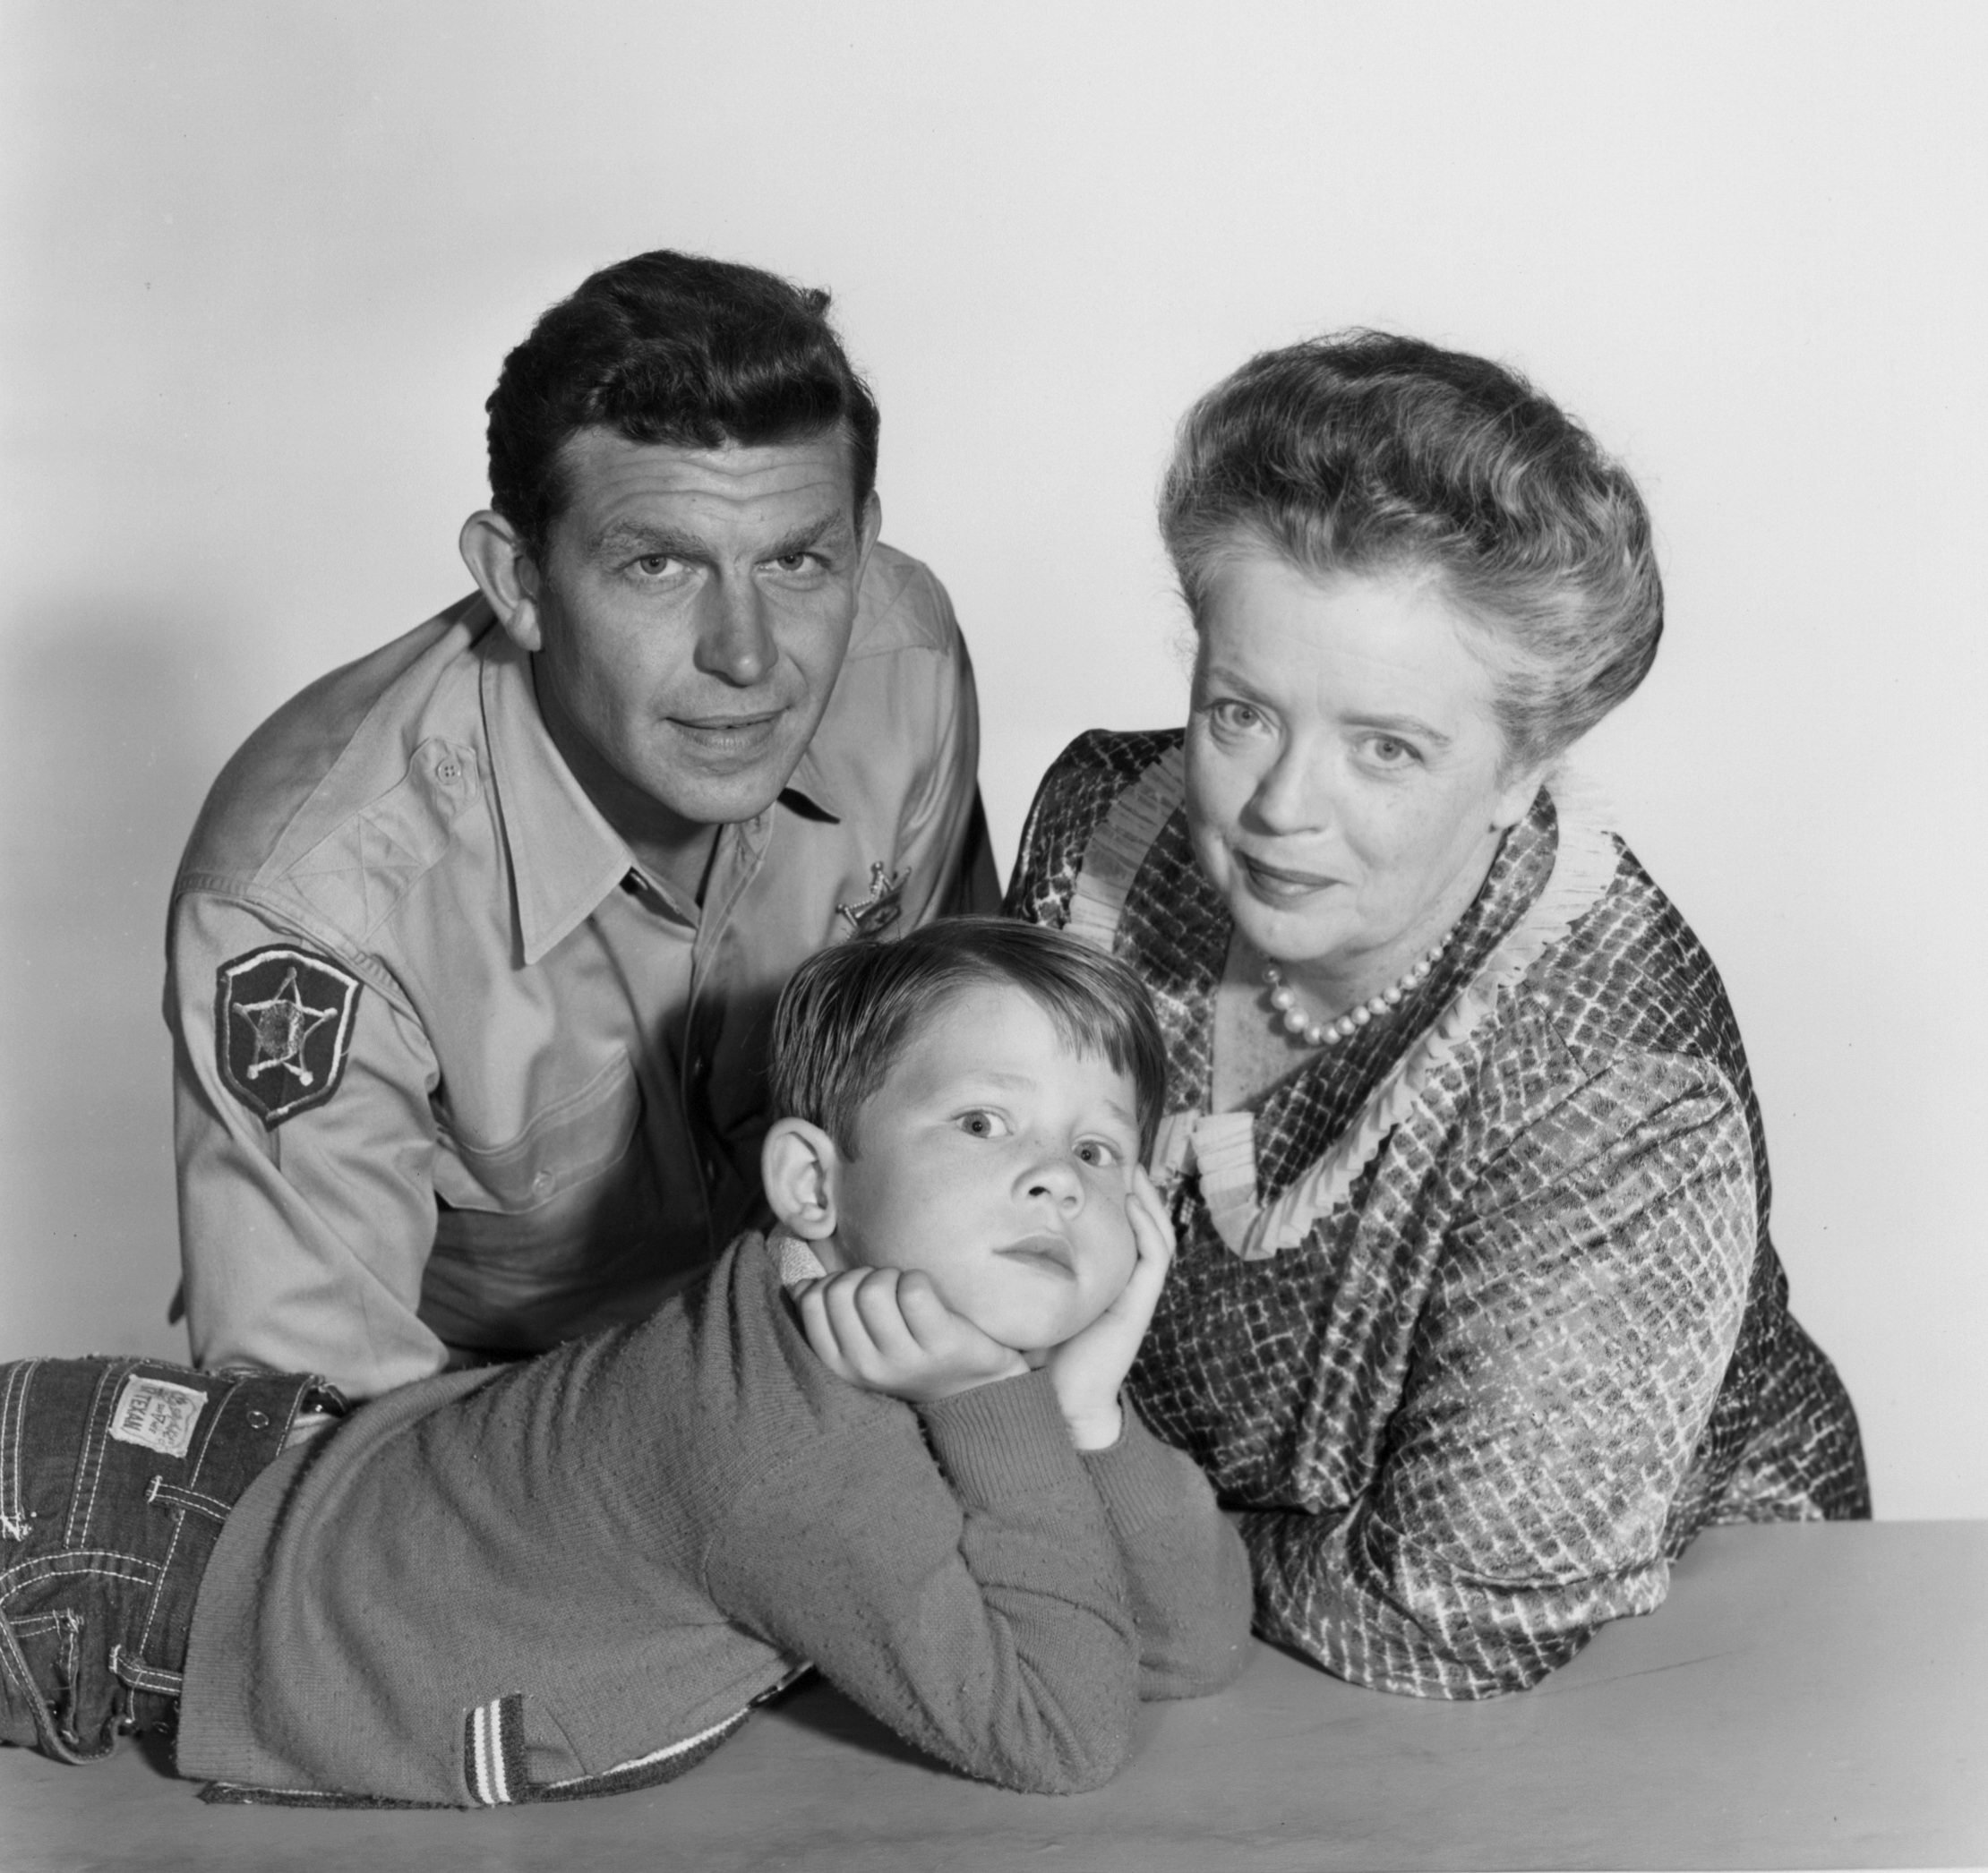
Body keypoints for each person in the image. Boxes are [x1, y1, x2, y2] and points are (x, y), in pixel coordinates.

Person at [1006, 331, 1870, 1701]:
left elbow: (1454, 1615)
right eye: (1241, 714)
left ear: (1523, 768)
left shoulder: (1617, 1083)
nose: (1285, 807)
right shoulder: (1100, 830)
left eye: (1386, 747)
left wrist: (1106, 1521)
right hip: (1170, 1608)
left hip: (1648, 1657)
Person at [0, 921, 1253, 1806]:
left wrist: (1086, 1414)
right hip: (128, 1559)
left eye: (1099, 1151)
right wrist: (1000, 1409)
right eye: (984, 1122)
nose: (1055, 1178)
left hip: (214, 1487)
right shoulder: (795, 1454)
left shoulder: (904, 1337)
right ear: (814, 1183)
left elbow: (1187, 1648)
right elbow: (1063, 1732)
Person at [167, 250, 998, 1403]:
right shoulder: (315, 903)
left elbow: (971, 1120)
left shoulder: (902, 656)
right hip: (492, 1417)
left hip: (836, 1350)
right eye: (658, 565)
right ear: (518, 581)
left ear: (861, 535)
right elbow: (322, 1450)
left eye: (797, 560)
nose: (747, 655)